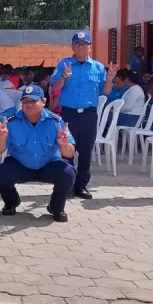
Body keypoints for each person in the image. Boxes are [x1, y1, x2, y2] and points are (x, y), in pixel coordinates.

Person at [0, 85, 77, 222]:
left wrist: (64, 144)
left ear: (43, 102)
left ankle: (56, 207)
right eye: (26, 102)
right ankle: (11, 201)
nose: (29, 105)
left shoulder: (56, 122)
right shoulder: (11, 122)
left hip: (48, 165)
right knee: (0, 173)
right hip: (21, 165)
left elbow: (70, 154)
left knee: (68, 173)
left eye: (33, 101)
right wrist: (2, 138)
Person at [50, 31, 115, 200]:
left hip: (88, 114)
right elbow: (55, 87)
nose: (81, 47)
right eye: (78, 44)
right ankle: (68, 183)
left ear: (90, 47)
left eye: (84, 44)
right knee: (67, 149)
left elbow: (106, 91)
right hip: (69, 113)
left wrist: (109, 79)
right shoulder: (64, 64)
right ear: (72, 47)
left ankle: (82, 186)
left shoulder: (98, 67)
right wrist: (64, 77)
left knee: (86, 151)